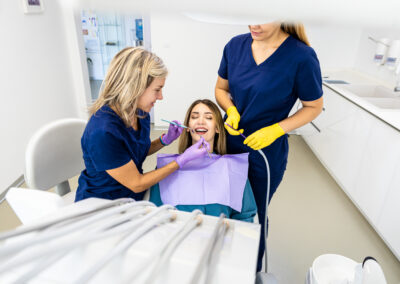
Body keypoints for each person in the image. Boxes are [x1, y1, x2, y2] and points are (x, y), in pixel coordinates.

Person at [215, 22, 323, 271]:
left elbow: (313, 107)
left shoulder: (301, 56)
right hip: (226, 145)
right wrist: (230, 109)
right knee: (222, 205)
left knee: (253, 214)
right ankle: (221, 263)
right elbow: (221, 89)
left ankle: (248, 269)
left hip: (264, 155)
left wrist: (277, 129)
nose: (254, 23)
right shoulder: (235, 45)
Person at [75, 47, 210, 202]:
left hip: (132, 196)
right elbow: (137, 183)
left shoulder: (140, 113)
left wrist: (164, 140)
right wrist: (181, 160)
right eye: (157, 90)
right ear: (135, 87)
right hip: (103, 203)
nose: (161, 97)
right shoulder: (103, 132)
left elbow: (134, 152)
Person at [149, 99, 257, 222]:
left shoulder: (233, 169)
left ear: (217, 128)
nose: (200, 121)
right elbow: (156, 215)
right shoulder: (166, 168)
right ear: (188, 127)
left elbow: (245, 217)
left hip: (219, 239)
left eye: (209, 118)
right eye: (194, 117)